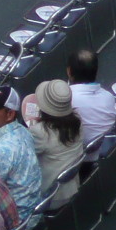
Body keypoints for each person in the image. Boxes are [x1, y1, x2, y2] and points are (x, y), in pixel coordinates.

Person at [0, 85, 43, 222]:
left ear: (10, 114)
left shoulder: (0, 151)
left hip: (18, 220)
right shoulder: (23, 131)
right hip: (33, 209)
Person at [29, 79, 85, 207]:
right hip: (71, 187)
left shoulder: (40, 132)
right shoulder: (78, 120)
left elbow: (26, 155)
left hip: (49, 196)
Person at [67, 48, 116, 149]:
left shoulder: (67, 99)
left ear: (69, 71)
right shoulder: (108, 96)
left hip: (83, 153)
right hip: (109, 147)